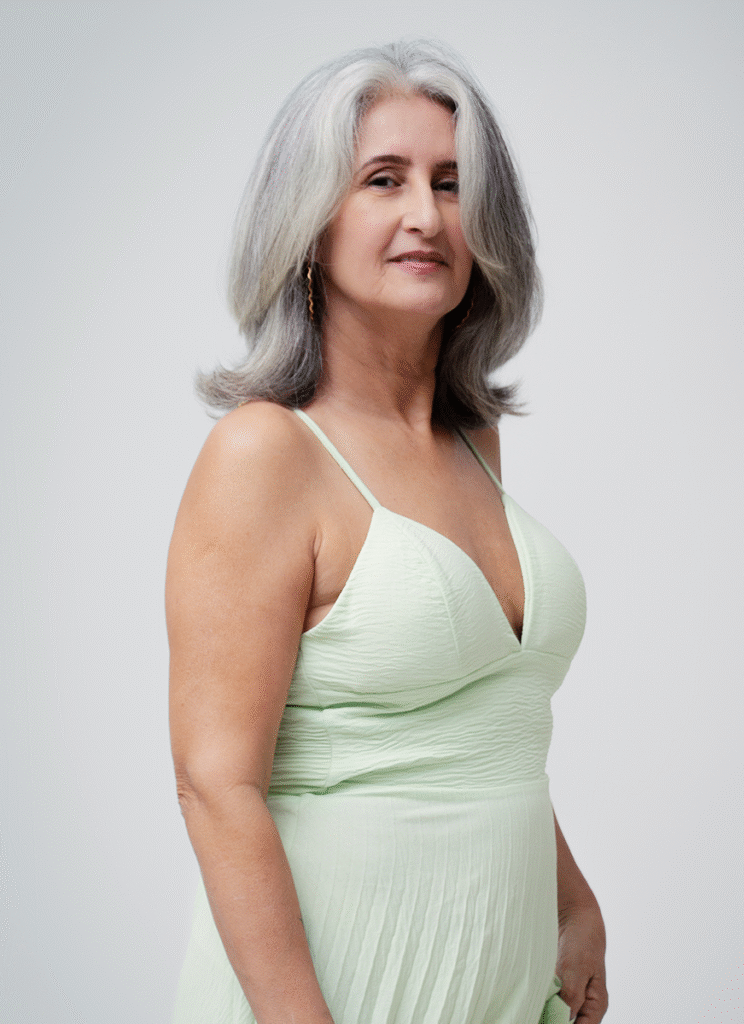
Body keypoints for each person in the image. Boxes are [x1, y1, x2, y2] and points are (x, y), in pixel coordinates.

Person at [167, 39, 607, 1024]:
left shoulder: (472, 440)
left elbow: (478, 730)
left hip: (499, 989)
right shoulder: (266, 452)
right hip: (331, 992)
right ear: (308, 221)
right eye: (383, 179)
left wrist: (571, 901)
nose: (427, 214)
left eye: (451, 183)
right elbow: (214, 785)